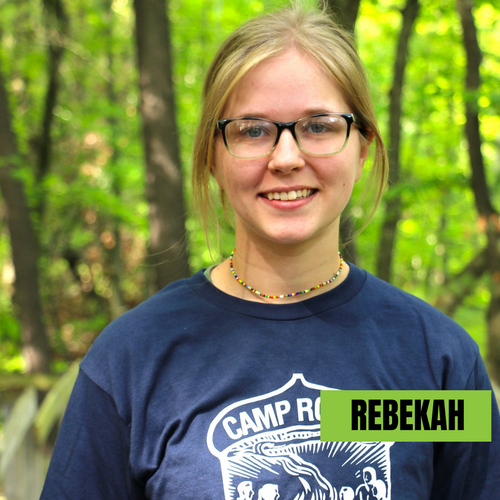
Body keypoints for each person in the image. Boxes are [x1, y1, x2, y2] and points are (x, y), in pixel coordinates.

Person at [40, 3, 499, 500]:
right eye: (252, 130)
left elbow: (344, 428)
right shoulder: (132, 360)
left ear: (363, 147)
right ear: (213, 157)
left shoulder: (438, 360)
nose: (285, 158)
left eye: (318, 126)